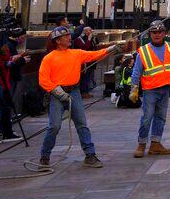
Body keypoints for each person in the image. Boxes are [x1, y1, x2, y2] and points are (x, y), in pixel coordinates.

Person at [38, 26, 128, 168]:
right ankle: (44, 157)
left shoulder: (76, 53)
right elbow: (43, 79)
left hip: (73, 92)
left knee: (82, 124)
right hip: (57, 94)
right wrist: (57, 92)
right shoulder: (49, 58)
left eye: (69, 35)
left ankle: (90, 155)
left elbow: (94, 55)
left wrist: (111, 49)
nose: (69, 38)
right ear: (57, 41)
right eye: (66, 36)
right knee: (54, 126)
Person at [129, 20, 170, 157]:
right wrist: (134, 88)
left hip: (165, 88)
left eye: (160, 32)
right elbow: (136, 71)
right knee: (147, 117)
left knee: (160, 118)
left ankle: (155, 144)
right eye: (154, 32)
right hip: (150, 90)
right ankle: (141, 144)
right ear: (150, 34)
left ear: (164, 33)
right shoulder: (144, 51)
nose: (157, 35)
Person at [73, 25, 98, 99]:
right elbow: (85, 48)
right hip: (84, 60)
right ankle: (84, 91)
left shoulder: (87, 38)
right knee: (85, 76)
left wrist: (92, 38)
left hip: (90, 59)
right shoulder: (78, 39)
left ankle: (86, 90)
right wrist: (89, 39)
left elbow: (95, 44)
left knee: (89, 76)